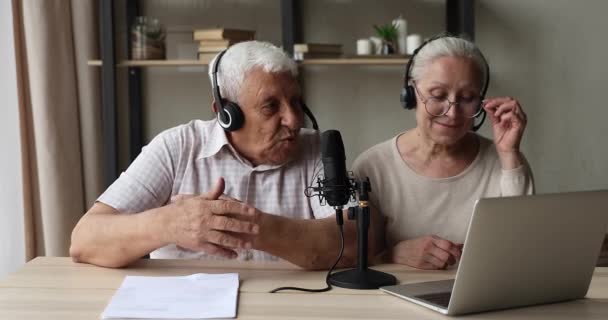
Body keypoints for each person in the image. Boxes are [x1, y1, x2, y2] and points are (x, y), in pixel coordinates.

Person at [70, 41, 379, 269]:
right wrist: (170, 223)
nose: (295, 120)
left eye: (296, 102)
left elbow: (353, 242)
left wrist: (247, 226)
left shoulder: (314, 150)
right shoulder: (176, 148)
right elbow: (85, 241)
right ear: (225, 113)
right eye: (271, 106)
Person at [352, 35, 534, 270]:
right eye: (438, 95)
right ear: (410, 93)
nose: (452, 112)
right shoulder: (372, 167)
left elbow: (523, 247)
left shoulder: (504, 162)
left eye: (467, 98)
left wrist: (510, 154)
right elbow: (358, 260)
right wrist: (392, 255)